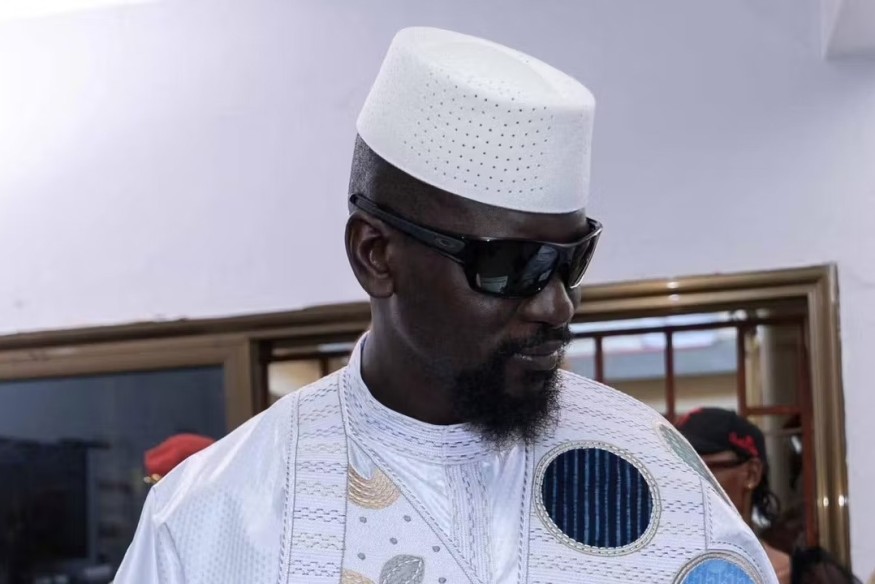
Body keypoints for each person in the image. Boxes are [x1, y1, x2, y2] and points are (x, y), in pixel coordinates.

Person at [115, 27, 780, 583]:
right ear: (376, 255)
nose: (556, 305)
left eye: (570, 261)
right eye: (511, 266)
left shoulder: (654, 473)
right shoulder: (214, 516)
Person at [677, 408, 860, 584]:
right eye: (676, 469)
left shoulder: (804, 575)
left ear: (752, 474)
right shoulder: (664, 570)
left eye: (700, 467)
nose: (686, 482)